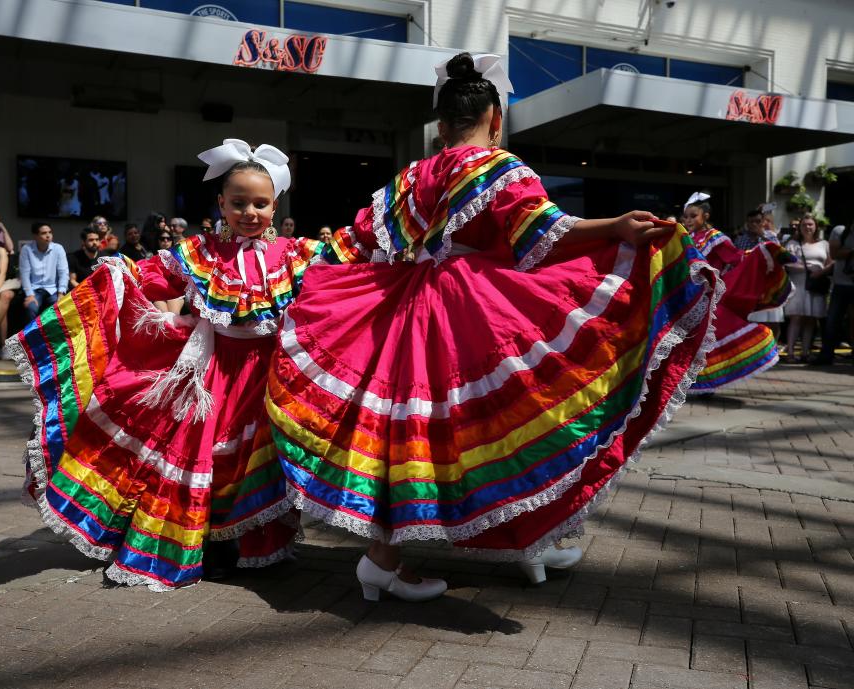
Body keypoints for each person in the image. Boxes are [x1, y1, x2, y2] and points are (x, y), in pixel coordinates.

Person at [266, 53, 720, 601]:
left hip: (408, 307)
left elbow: (359, 240)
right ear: (495, 118)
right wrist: (617, 227)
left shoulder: (412, 175)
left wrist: (296, 275)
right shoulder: (500, 166)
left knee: (404, 430)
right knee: (517, 418)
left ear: (440, 126)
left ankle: (391, 558)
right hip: (475, 309)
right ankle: (519, 535)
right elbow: (541, 232)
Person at [8, 139, 326, 590]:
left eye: (260, 203)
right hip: (211, 372)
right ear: (221, 203)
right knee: (212, 460)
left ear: (275, 207)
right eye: (239, 203)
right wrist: (123, 274)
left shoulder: (296, 255)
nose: (249, 212)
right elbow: (155, 278)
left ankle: (257, 542)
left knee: (260, 461)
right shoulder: (200, 253)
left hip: (267, 376)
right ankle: (212, 543)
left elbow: (336, 284)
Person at [681, 197, 794, 392]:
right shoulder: (686, 239)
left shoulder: (715, 238)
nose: (688, 220)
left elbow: (737, 257)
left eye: (694, 216)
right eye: (686, 216)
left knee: (713, 335)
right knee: (691, 339)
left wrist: (760, 254)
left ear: (705, 216)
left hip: (709, 296)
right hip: (689, 296)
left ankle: (711, 382)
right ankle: (697, 381)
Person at [783, 214, 832, 363]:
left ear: (816, 227)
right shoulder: (792, 243)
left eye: (810, 224)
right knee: (796, 318)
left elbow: (831, 263)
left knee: (811, 319)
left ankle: (805, 352)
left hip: (816, 285)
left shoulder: (824, 244)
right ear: (799, 227)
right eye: (804, 225)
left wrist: (820, 271)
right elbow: (784, 262)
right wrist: (804, 267)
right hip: (798, 284)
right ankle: (790, 352)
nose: (807, 227)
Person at [737, 209, 785, 342]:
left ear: (763, 222)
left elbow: (779, 255)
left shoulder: (771, 237)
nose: (754, 224)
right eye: (751, 222)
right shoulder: (741, 239)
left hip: (769, 283)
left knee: (772, 320)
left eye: (757, 221)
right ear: (747, 223)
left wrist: (762, 236)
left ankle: (773, 347)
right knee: (752, 319)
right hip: (750, 284)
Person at [812, 222, 854, 366]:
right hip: (841, 285)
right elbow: (835, 254)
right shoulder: (841, 231)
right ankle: (826, 355)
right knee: (832, 321)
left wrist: (847, 251)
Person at [20, 222, 68, 321]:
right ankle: (31, 335)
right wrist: (29, 295)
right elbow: (24, 274)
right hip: (34, 290)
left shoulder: (58, 248)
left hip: (53, 290)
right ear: (35, 236)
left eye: (50, 232)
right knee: (30, 307)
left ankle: (53, 336)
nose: (48, 235)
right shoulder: (26, 249)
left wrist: (61, 293)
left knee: (60, 307)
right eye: (43, 233)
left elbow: (63, 272)